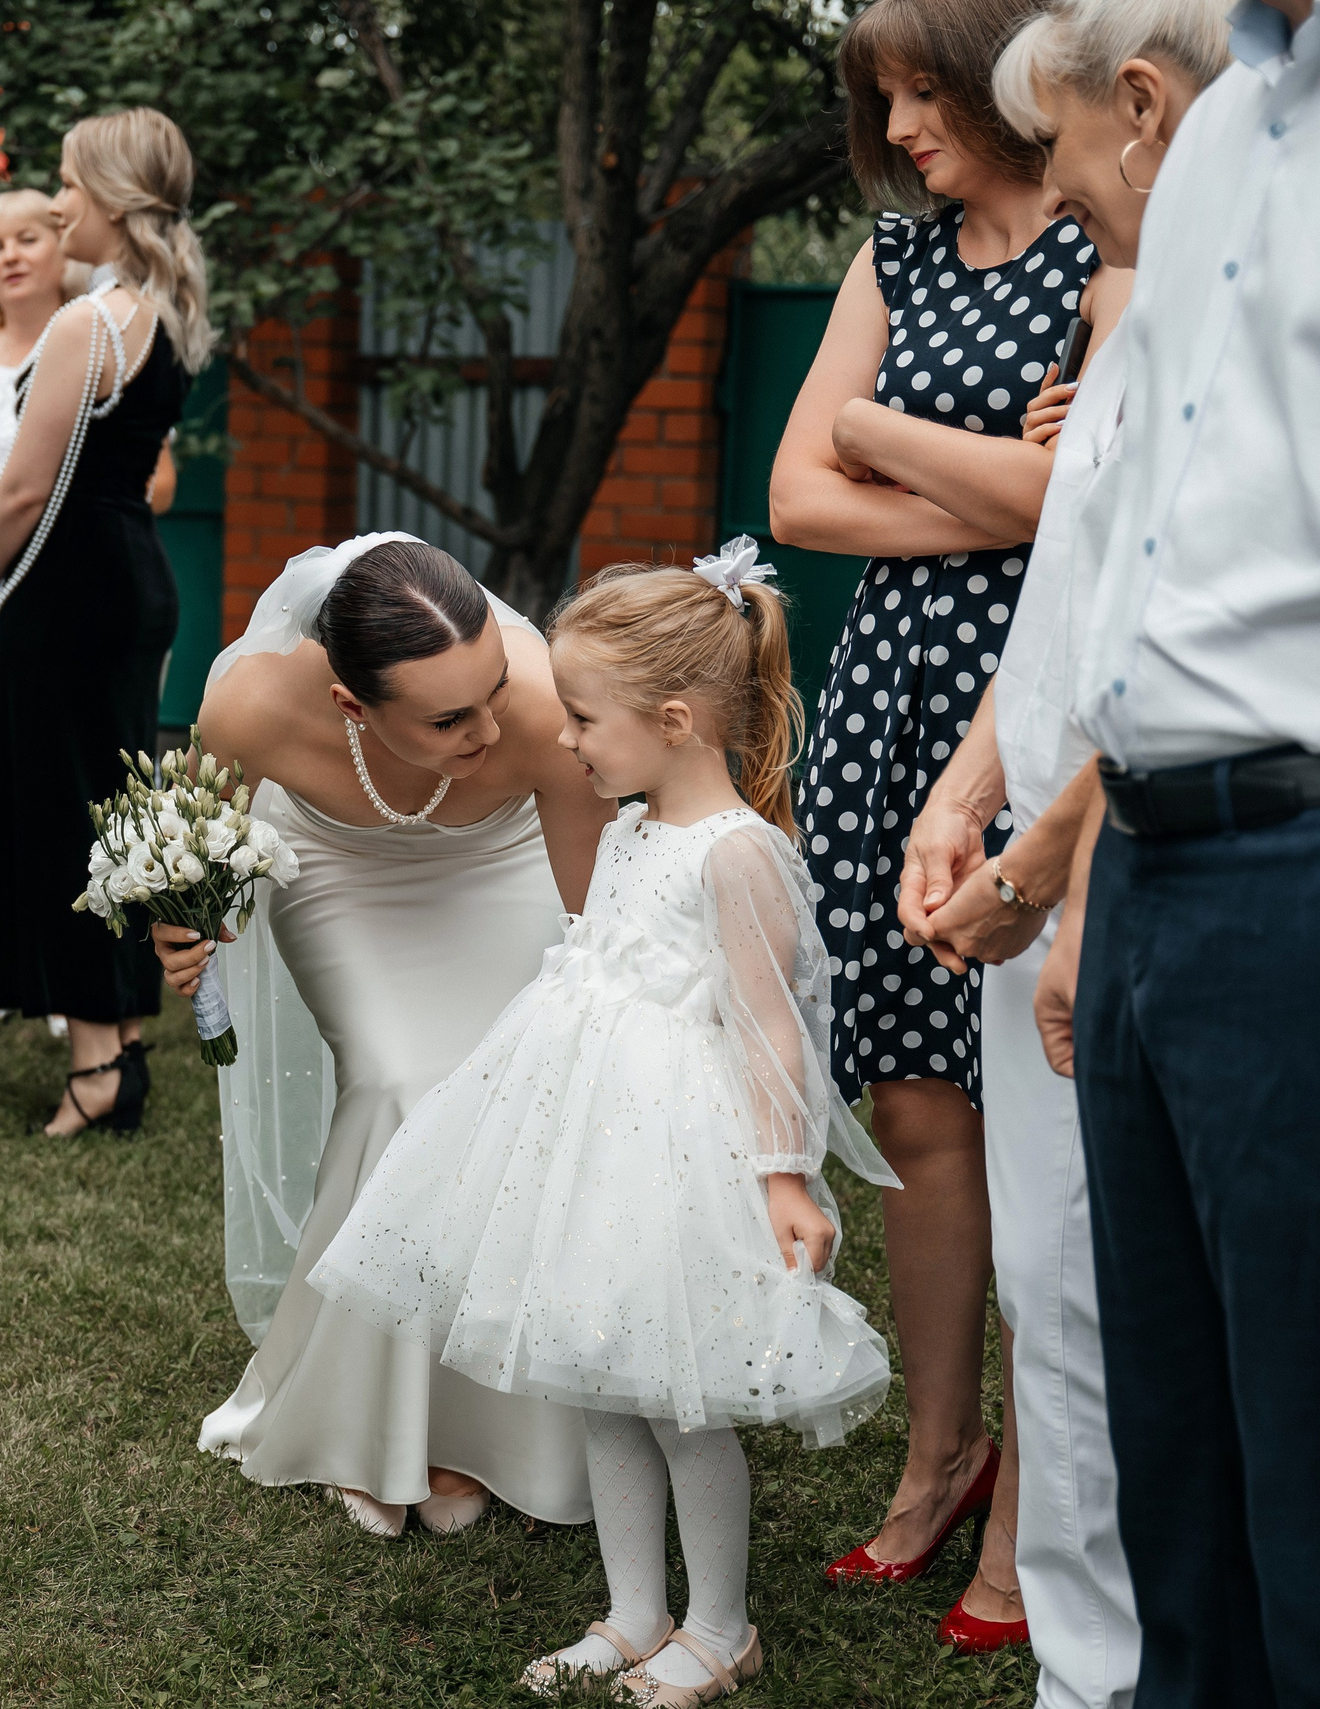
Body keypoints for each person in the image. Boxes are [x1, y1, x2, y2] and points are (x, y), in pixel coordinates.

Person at [1041, 1, 1320, 1699]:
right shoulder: (1225, 127)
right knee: (1194, 1540)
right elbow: (1166, 562)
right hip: (1166, 882)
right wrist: (1101, 885)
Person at [311, 551, 900, 1707]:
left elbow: (774, 1030)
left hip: (679, 1151)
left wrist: (784, 1174)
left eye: (583, 717)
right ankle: (634, 1610)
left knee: (678, 1401)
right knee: (598, 1381)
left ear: (672, 720)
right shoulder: (628, 827)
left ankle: (721, 1625)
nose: (562, 737)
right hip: (585, 1131)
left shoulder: (735, 852)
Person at [889, 6, 1231, 1704]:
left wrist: (1060, 873)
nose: (1067, 194)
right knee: (1055, 1275)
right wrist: (969, 785)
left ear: (1149, 112)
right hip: (1036, 854)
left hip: (1122, 870)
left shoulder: (1219, 335)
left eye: (1076, 149)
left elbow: (1186, 646)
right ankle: (1086, 1658)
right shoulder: (1129, 331)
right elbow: (1064, 615)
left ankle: (1129, 1659)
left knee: (1122, 1289)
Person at [765, 0, 1094, 1645]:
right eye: (881, 97)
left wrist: (887, 432)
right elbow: (790, 498)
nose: (899, 126)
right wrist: (997, 474)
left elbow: (1081, 507)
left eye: (921, 88)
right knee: (915, 1113)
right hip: (886, 707)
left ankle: (1044, 1494)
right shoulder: (894, 257)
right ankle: (939, 1448)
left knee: (1045, 1124)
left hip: (1032, 713)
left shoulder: (1112, 237)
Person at [157, 534, 616, 1539]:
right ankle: (365, 1423)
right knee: (399, 1082)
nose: (489, 725)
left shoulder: (539, 711)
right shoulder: (253, 704)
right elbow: (194, 843)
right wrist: (182, 920)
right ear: (349, 707)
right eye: (451, 716)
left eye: (493, 686)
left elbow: (591, 919)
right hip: (335, 862)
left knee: (502, 1084)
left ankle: (470, 1430)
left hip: (503, 866)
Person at [0, 189, 177, 1041]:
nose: (16, 252)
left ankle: (80, 994)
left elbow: (139, 480)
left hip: (52, 581)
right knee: (2, 793)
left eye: (36, 234)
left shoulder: (94, 331)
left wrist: (10, 512)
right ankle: (7, 980)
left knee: (75, 792)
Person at [0, 107, 201, 1134]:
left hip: (69, 589)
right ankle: (125, 1033)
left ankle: (97, 1062)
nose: (56, 203)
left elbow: (19, 494)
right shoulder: (171, 314)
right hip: (133, 581)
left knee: (68, 822)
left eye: (66, 183)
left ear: (109, 195)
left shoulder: (88, 323)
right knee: (118, 814)